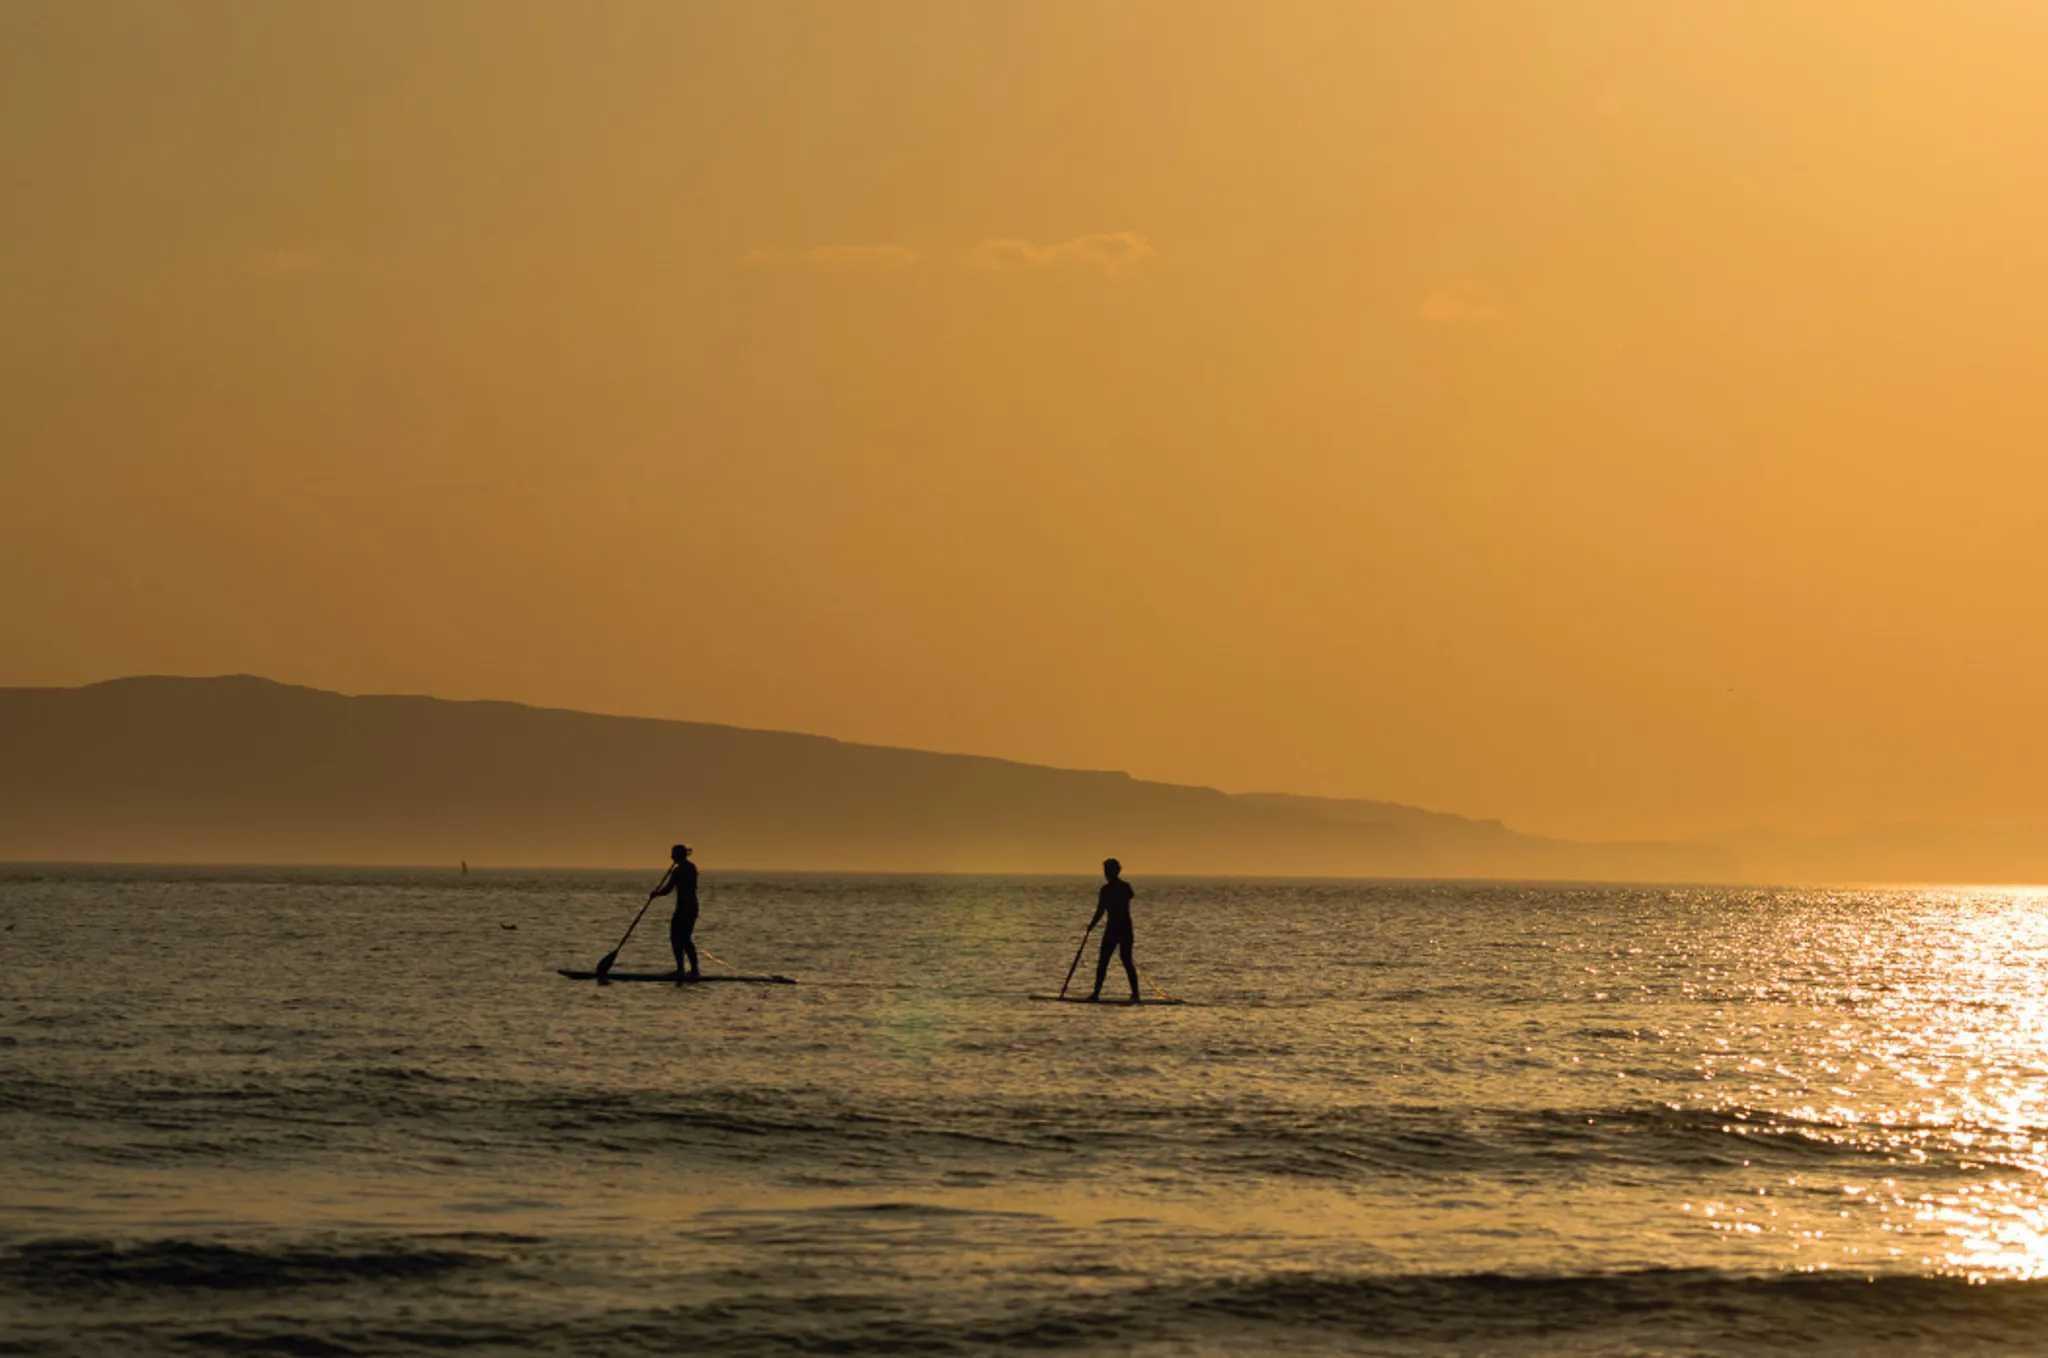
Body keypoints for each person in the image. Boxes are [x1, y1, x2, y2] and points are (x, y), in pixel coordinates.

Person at [1087, 857, 1140, 1003]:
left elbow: (1104, 908)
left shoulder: (1123, 887)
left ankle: (1135, 994)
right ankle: (1096, 993)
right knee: (1103, 961)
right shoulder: (1106, 890)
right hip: (1114, 928)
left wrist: (1093, 924)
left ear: (1115, 871)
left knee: (1126, 959)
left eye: (1108, 871)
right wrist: (1091, 925)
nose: (1106, 873)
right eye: (1105, 871)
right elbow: (1100, 910)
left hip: (1123, 928)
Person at [649, 844, 700, 982]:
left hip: (686, 908)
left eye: (674, 855)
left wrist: (656, 894)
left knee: (680, 937)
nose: (672, 858)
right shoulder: (690, 868)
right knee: (681, 938)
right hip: (689, 907)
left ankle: (685, 970)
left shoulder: (681, 871)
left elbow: (668, 889)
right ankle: (687, 969)